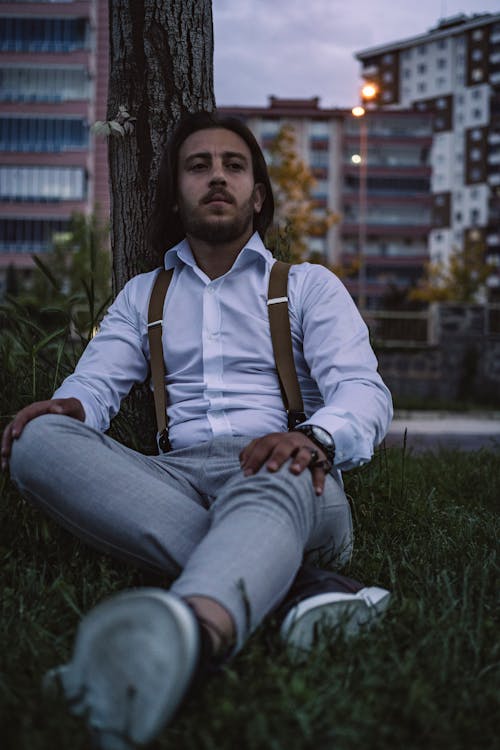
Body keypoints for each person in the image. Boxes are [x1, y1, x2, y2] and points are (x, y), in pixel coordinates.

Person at [1, 111, 392, 749]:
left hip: (284, 471)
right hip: (172, 477)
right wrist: (70, 407)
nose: (217, 177)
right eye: (199, 166)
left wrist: (315, 439)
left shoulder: (307, 288)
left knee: (274, 475)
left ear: (256, 195)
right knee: (38, 439)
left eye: (234, 166)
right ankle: (298, 588)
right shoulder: (142, 295)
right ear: (177, 195)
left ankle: (192, 635)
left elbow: (362, 391)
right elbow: (94, 384)